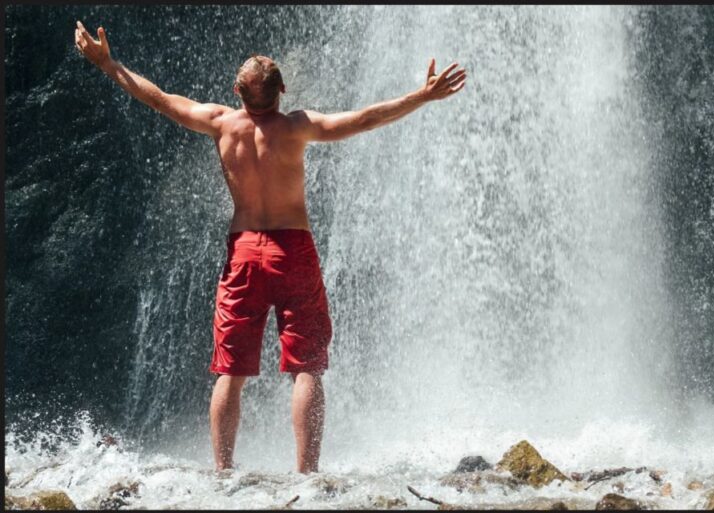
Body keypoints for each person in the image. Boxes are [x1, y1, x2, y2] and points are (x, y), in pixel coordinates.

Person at [74, 20, 467, 474]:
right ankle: (308, 474)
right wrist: (422, 96)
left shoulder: (220, 124)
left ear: (235, 92)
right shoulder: (299, 127)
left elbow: (158, 98)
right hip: (292, 250)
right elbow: (365, 118)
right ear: (282, 89)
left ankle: (222, 473)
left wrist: (107, 63)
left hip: (243, 252)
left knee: (230, 371)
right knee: (307, 367)